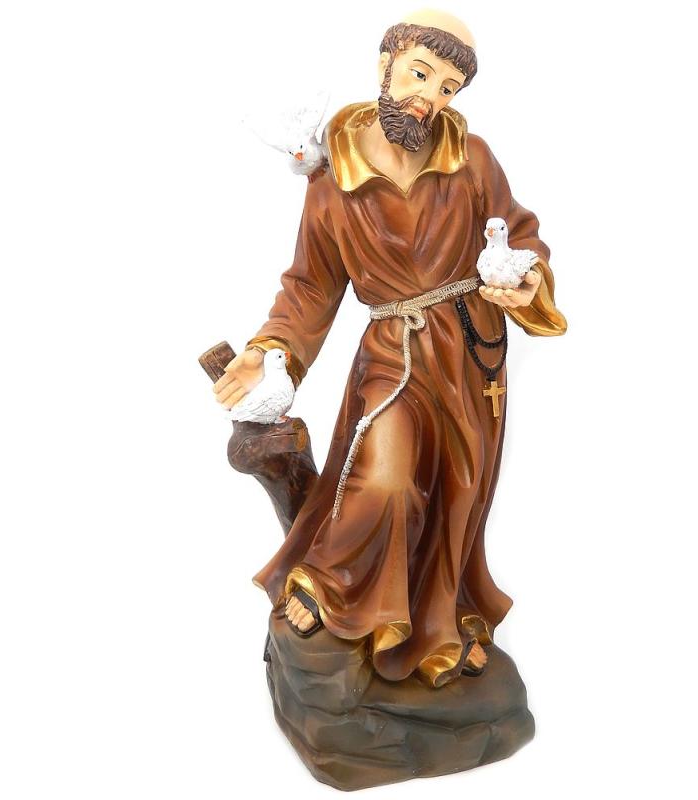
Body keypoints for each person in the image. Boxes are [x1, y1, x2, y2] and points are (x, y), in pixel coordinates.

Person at [214, 9, 566, 688]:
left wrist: (526, 279)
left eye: (447, 87)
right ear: (386, 64)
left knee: (458, 495)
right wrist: (271, 348)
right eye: (420, 73)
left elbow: (520, 234)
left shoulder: (472, 158)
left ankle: (438, 624)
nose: (429, 96)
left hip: (470, 352)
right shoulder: (332, 179)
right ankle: (332, 587)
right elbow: (310, 285)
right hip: (393, 353)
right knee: (385, 476)